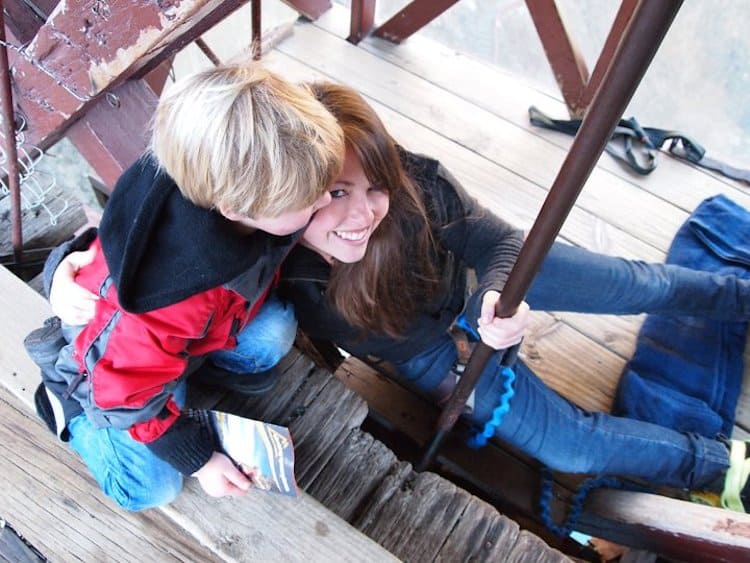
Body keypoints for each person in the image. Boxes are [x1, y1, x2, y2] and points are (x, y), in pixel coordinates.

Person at [50, 82, 750, 513]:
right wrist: (64, 267)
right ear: (266, 210)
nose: (365, 210)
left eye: (368, 182)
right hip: (411, 346)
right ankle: (718, 464)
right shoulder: (264, 238)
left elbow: (492, 238)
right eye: (329, 195)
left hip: (469, 283)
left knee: (633, 281)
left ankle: (737, 293)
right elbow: (128, 247)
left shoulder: (350, 187)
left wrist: (499, 296)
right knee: (565, 445)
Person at [23, 63, 344, 512]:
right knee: (153, 489)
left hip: (184, 338)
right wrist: (198, 460)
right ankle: (71, 415)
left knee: (273, 334)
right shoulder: (170, 295)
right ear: (235, 208)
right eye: (311, 200)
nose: (324, 201)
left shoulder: (240, 186)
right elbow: (125, 389)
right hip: (112, 378)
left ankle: (187, 374)